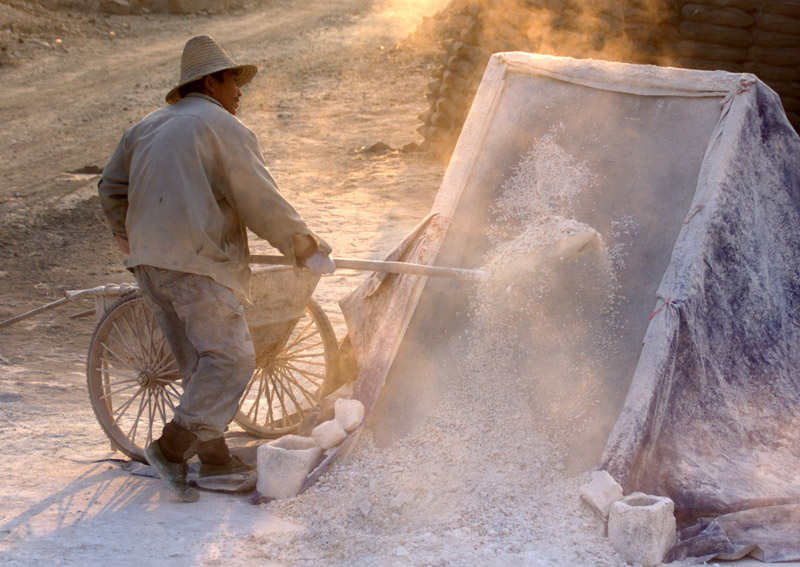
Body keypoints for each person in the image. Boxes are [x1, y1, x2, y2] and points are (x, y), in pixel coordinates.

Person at [98, 35, 335, 502]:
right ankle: (172, 448)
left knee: (197, 360)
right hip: (195, 263)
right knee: (231, 358)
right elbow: (260, 200)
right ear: (211, 82)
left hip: (148, 264)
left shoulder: (144, 127)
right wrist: (303, 245)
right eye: (234, 82)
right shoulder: (223, 127)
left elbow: (110, 188)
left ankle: (215, 460)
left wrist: (132, 236)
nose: (240, 92)